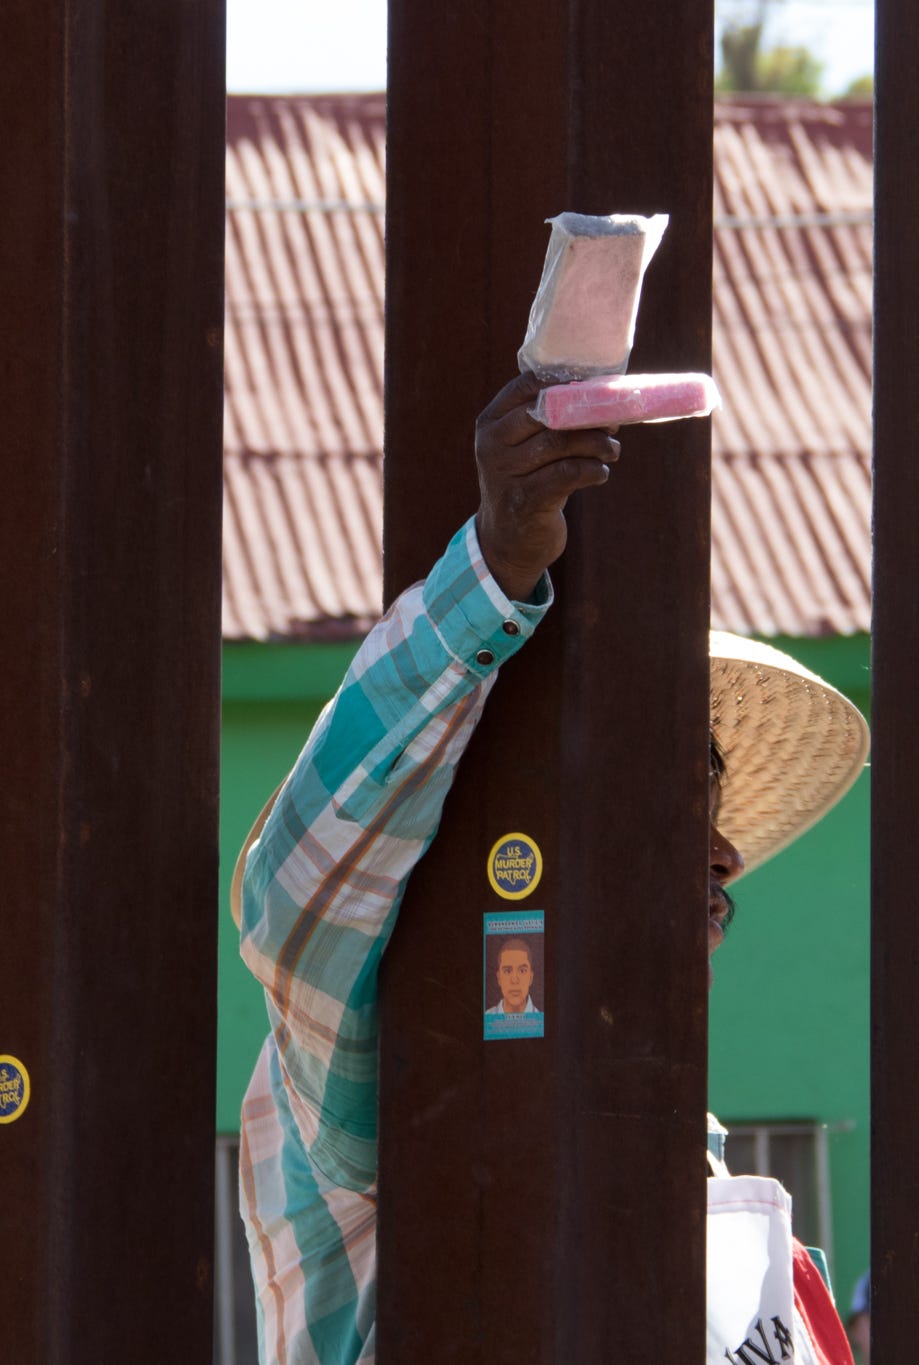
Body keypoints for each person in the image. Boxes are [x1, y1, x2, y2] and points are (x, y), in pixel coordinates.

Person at [229, 371, 869, 1364]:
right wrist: (491, 570)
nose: (715, 873)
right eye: (664, 825)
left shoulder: (703, 1184)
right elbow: (297, 889)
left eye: (710, 869)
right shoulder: (380, 1071)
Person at [484, 937, 538, 1015]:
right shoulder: (486, 1018)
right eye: (507, 971)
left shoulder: (543, 1021)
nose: (514, 980)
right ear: (499, 978)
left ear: (531, 978)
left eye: (522, 971)